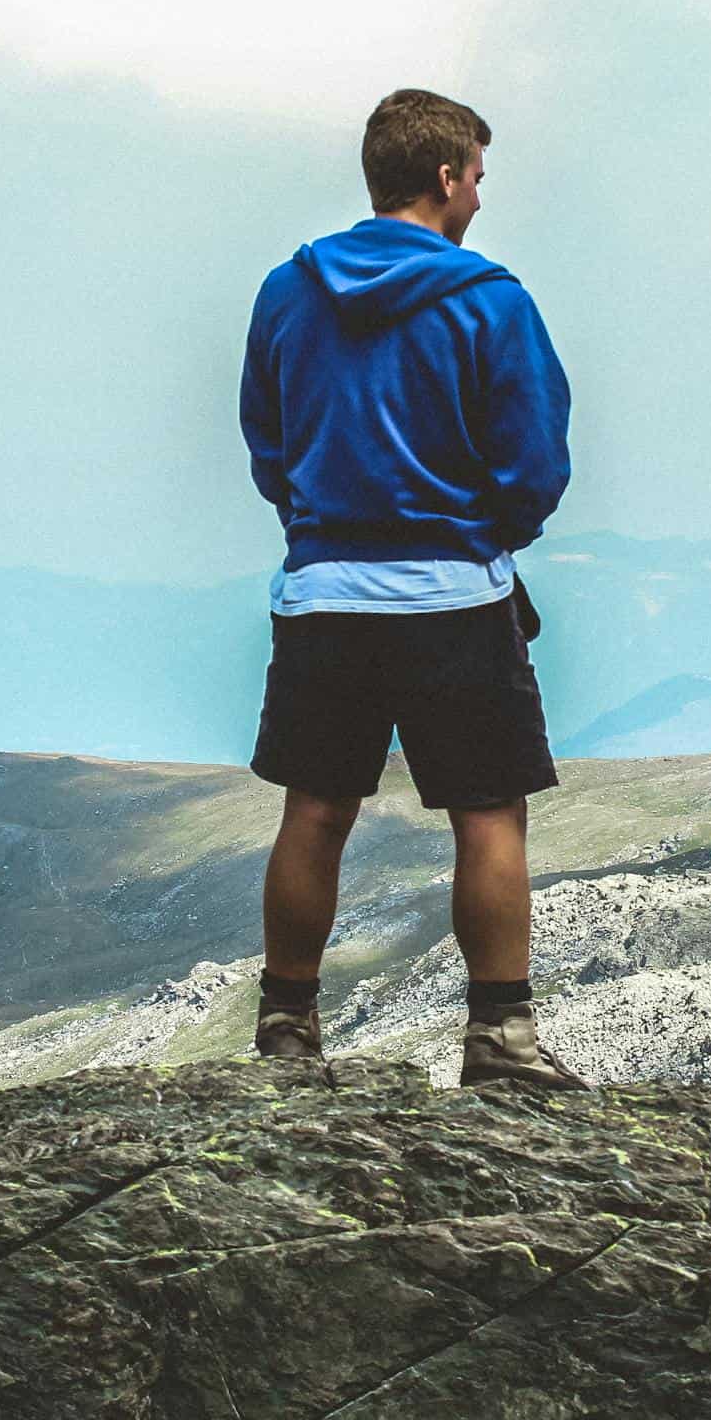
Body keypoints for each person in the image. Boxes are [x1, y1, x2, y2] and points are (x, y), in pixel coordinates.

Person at [237, 86, 590, 1091]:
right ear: (444, 177)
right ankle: (501, 1046)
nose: (479, 197)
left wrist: (315, 524)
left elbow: (267, 439)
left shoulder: (287, 291)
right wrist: (484, 534)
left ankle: (287, 1035)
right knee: (487, 815)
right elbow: (536, 460)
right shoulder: (489, 300)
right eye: (476, 177)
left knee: (316, 809)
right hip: (453, 599)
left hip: (323, 596)